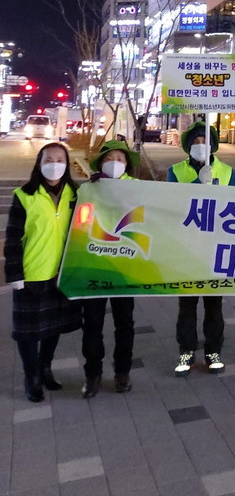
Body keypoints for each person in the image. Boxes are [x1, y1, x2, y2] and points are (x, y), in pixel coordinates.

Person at [4, 143, 82, 402]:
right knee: (27, 333)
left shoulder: (76, 194)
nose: (54, 164)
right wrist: (14, 274)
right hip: (32, 274)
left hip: (62, 273)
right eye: (49, 159)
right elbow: (13, 237)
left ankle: (45, 367)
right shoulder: (25, 195)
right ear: (39, 163)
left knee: (52, 327)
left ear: (67, 164)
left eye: (60, 159)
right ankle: (32, 376)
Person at [167, 122, 235, 376]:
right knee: (187, 305)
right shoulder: (175, 171)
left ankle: (213, 351)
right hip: (186, 248)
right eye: (196, 142)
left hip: (216, 249)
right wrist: (197, 185)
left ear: (213, 145)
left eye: (205, 141)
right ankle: (186, 352)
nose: (200, 146)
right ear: (188, 147)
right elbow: (170, 205)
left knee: (214, 305)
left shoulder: (228, 172)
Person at [81, 140, 140, 398]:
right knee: (92, 323)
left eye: (120, 159)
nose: (115, 163)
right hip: (94, 266)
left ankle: (122, 372)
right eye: (109, 159)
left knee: (124, 323)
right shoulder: (90, 188)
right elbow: (81, 223)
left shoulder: (139, 188)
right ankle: (92, 374)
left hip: (125, 268)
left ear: (127, 164)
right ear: (101, 163)